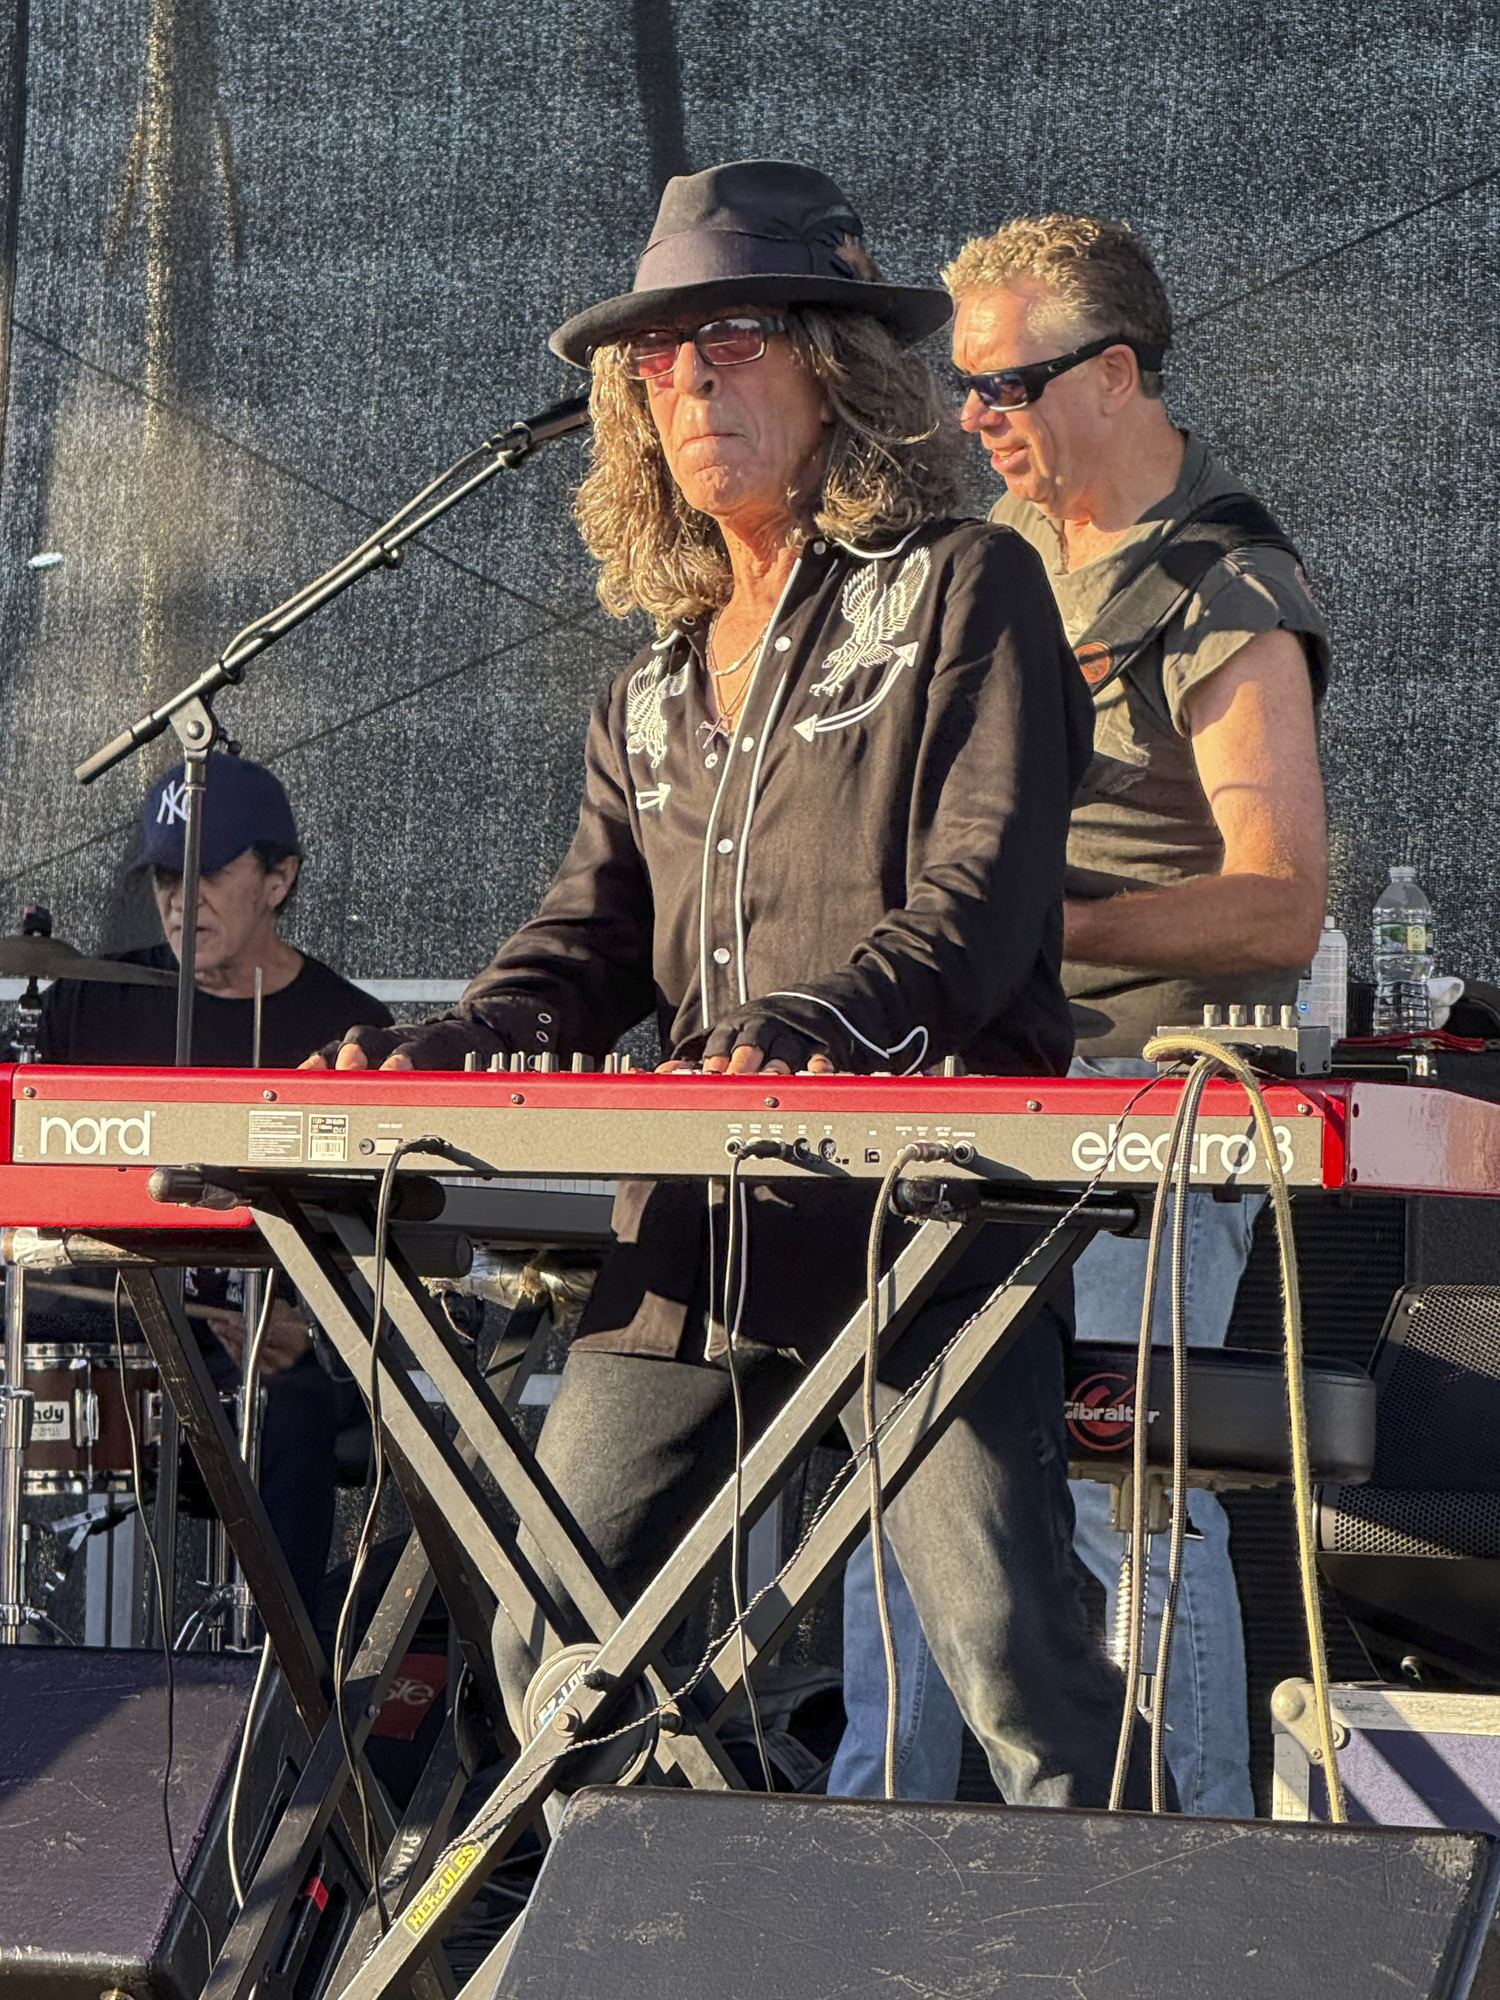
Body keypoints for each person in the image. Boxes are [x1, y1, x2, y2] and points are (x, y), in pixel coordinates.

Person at [306, 158, 1162, 1808]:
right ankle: (725, 1917)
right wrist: (471, 1036)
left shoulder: (966, 589)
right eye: (658, 358)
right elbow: (587, 935)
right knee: (557, 1634)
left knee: (1012, 1675)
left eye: (733, 338)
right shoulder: (652, 678)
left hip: (922, 1222)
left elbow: (983, 897)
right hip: (695, 1233)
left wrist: (823, 1029)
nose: (686, 380)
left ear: (835, 361)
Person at [834, 213, 1329, 1814]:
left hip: (1148, 1117)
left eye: (1007, 383)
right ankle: (861, 1860)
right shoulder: (980, 566)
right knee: (898, 1477)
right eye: (959, 384)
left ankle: (1185, 1887)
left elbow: (1278, 898)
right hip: (969, 1107)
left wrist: (1037, 930)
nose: (971, 414)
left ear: (1115, 376)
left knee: (1133, 1505)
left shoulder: (1222, 577)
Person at [41, 753, 392, 1615]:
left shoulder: (349, 1035)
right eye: (165, 876)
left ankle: (287, 1692)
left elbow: (386, 1236)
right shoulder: (89, 1006)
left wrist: (310, 1322)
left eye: (207, 874)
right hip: (109, 1320)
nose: (178, 899)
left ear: (280, 879)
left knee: (303, 1399)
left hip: (264, 1345)